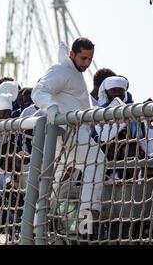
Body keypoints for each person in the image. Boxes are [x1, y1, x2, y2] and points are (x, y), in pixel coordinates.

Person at [31, 38, 104, 219]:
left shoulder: (73, 71)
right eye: (83, 58)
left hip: (72, 134)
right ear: (72, 54)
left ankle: (38, 222)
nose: (86, 63)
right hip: (68, 132)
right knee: (96, 160)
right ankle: (88, 211)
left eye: (89, 59)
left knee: (53, 182)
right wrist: (52, 109)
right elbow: (39, 91)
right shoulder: (62, 70)